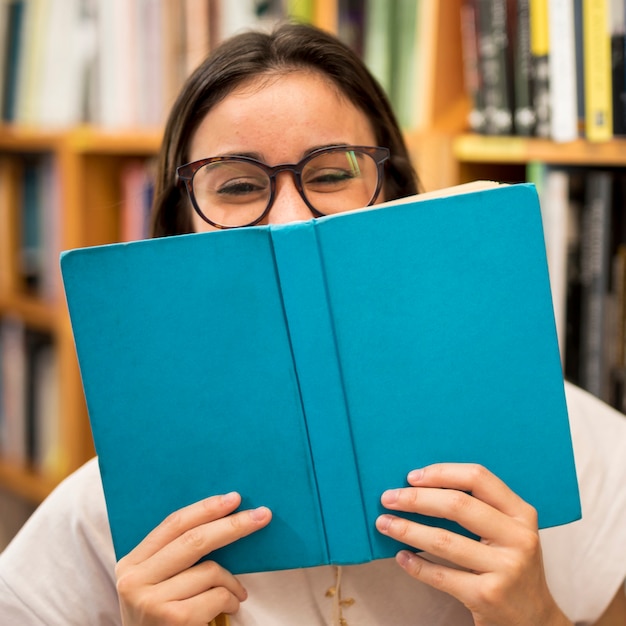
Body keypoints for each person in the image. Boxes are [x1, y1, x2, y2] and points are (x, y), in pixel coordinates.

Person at [1, 22, 626, 626]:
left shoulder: (576, 445)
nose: (293, 219)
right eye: (239, 185)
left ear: (398, 195)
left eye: (331, 174)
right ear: (176, 228)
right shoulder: (108, 512)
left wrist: (537, 620)